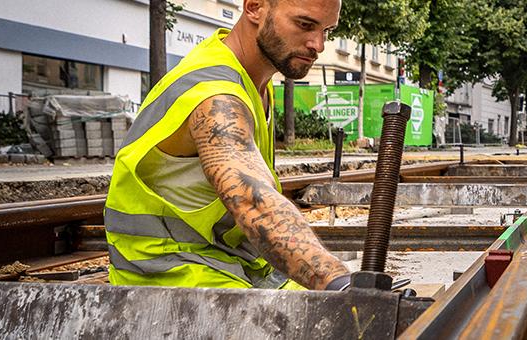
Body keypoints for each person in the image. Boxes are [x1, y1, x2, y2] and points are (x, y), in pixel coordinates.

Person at [104, 0, 354, 291]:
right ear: (255, 7)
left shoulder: (252, 79)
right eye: (305, 25)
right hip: (171, 273)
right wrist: (337, 281)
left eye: (327, 30)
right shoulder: (215, 96)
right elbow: (252, 202)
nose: (318, 44)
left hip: (230, 263)